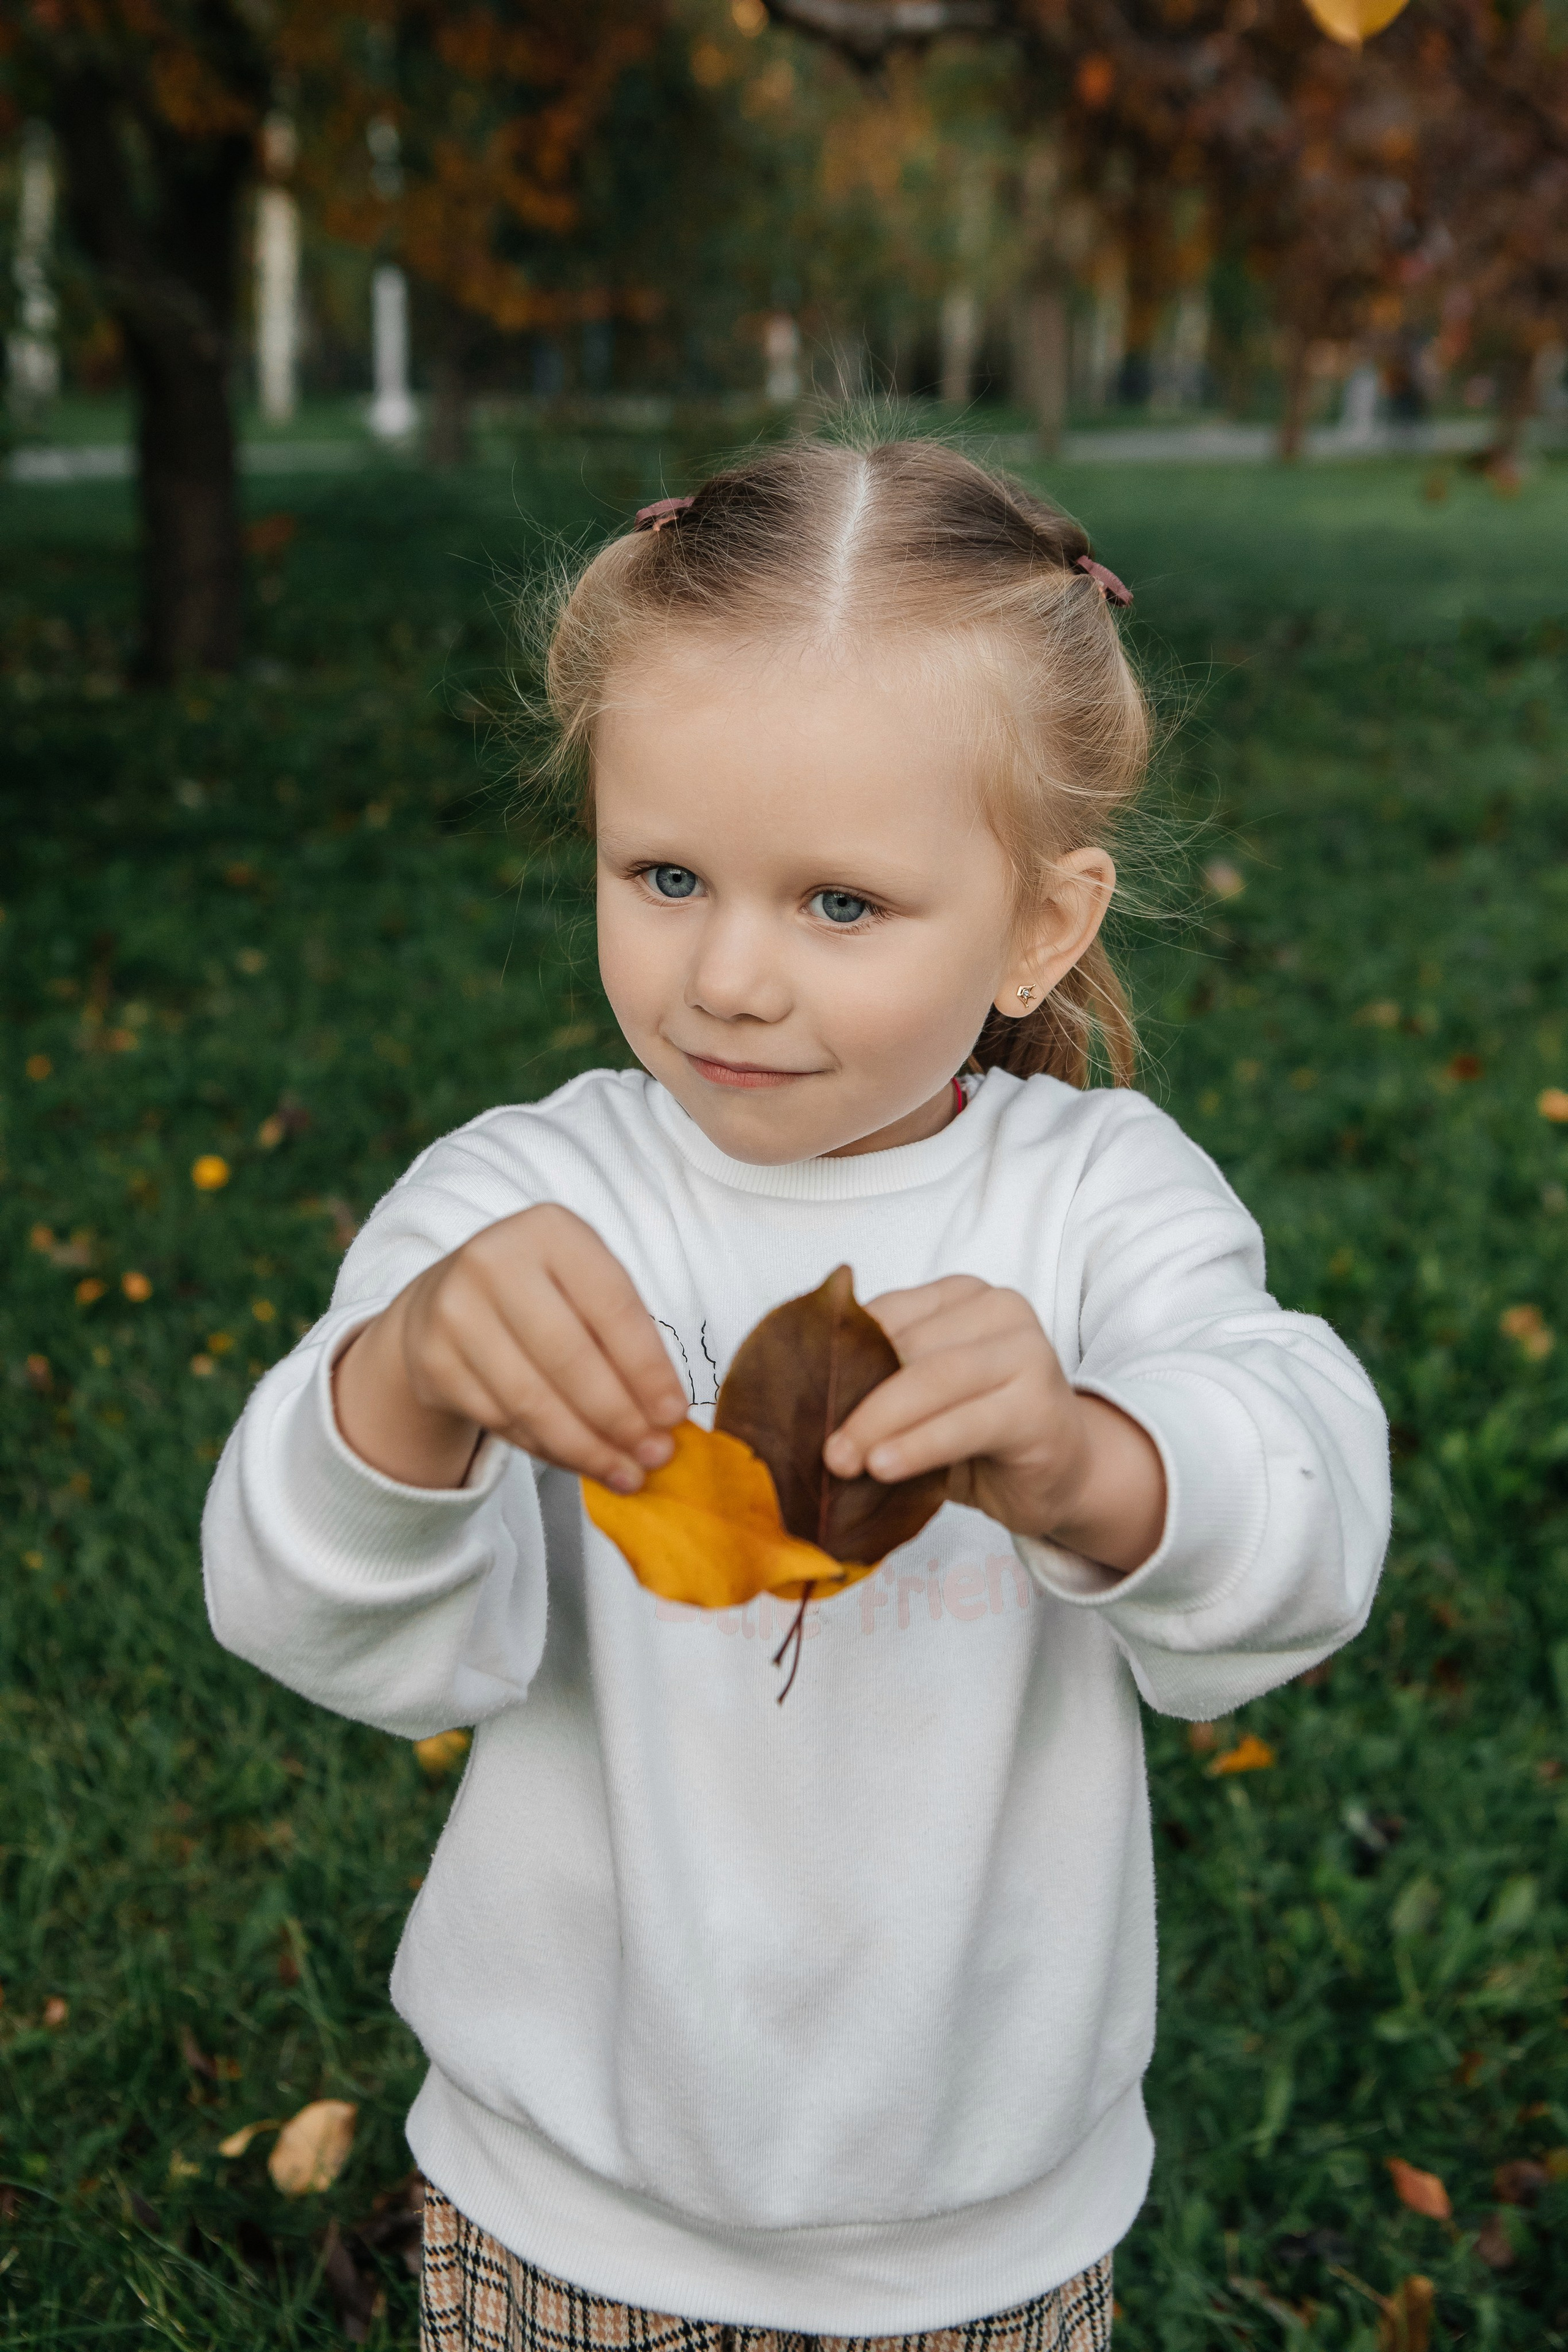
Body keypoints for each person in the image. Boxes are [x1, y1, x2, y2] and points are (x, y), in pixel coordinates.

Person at [202, 437, 1390, 2352]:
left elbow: (1308, 1515)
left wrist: (1094, 1462)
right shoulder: (521, 1207)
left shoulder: (1097, 1204)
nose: (730, 976)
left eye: (840, 904)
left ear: (1038, 924)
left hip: (981, 2237)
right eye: (666, 874)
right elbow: (325, 1625)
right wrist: (408, 1390)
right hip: (558, 2207)